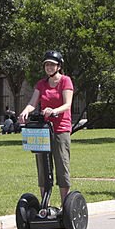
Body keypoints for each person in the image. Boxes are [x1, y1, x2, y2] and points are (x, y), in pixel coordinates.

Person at [18, 50, 75, 203]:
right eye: (46, 64)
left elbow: (67, 104)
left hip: (60, 129)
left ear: (59, 66)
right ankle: (45, 204)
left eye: (52, 64)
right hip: (43, 130)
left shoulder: (65, 81)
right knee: (43, 166)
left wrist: (53, 111)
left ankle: (65, 204)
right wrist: (25, 111)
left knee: (62, 164)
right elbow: (32, 103)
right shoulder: (41, 84)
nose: (49, 67)